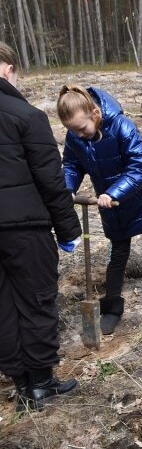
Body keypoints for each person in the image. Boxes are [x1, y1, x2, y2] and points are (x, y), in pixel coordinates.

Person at [57, 85, 142, 336]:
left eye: (82, 128)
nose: (78, 135)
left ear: (94, 113)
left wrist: (113, 193)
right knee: (117, 255)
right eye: (72, 130)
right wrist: (68, 187)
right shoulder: (76, 136)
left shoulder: (122, 126)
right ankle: (113, 307)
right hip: (113, 207)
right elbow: (72, 165)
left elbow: (139, 167)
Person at [0, 42, 81, 411]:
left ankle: (20, 384)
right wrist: (68, 231)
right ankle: (40, 383)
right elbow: (51, 180)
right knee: (36, 301)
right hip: (24, 229)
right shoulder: (25, 115)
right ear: (8, 69)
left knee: (2, 306)